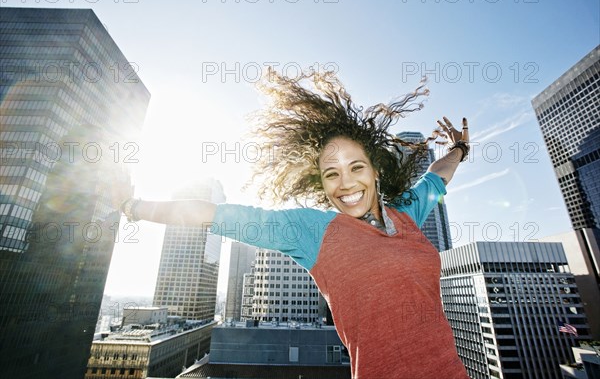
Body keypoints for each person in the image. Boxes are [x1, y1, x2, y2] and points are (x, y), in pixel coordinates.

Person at [118, 69, 471, 378]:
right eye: (332, 174)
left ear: (376, 170)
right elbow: (212, 214)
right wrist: (133, 206)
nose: (346, 183)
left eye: (356, 167)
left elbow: (437, 177)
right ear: (322, 183)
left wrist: (458, 149)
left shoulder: (405, 214)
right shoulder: (313, 230)